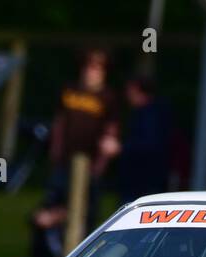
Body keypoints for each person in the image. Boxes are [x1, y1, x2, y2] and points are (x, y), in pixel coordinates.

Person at [49, 48, 120, 230]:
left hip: (91, 161)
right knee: (56, 202)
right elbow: (59, 122)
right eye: (89, 67)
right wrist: (55, 149)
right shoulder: (70, 90)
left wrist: (100, 165)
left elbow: (111, 131)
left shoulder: (108, 97)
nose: (92, 72)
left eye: (97, 68)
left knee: (87, 208)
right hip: (66, 159)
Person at [116, 75, 172, 203]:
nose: (126, 94)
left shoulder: (152, 115)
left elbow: (151, 145)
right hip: (140, 181)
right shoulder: (146, 112)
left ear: (137, 90)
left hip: (144, 182)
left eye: (129, 90)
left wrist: (122, 148)